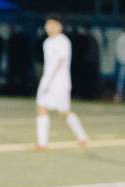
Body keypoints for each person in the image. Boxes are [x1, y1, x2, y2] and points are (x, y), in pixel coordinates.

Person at [35, 15, 88, 150]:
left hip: (59, 83)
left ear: (59, 27)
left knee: (64, 112)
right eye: (48, 24)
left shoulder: (63, 41)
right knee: (41, 107)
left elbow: (60, 61)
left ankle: (82, 137)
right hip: (47, 81)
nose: (49, 27)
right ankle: (42, 143)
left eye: (52, 24)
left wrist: (50, 79)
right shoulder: (47, 42)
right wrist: (45, 79)